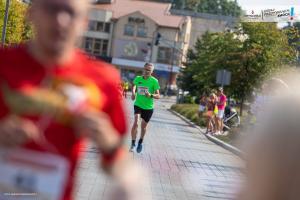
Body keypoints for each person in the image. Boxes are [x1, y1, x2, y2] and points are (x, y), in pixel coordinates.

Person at [0, 0, 139, 199]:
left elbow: (121, 165)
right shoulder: (4, 64)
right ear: (31, 13)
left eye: (71, 13)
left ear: (84, 22)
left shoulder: (103, 80)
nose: (61, 20)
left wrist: (108, 144)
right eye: (51, 9)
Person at [130, 63, 160, 153]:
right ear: (143, 69)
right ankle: (132, 143)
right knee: (136, 123)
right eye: (145, 69)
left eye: (149, 70)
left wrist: (150, 95)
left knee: (143, 127)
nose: (147, 71)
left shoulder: (154, 81)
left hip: (148, 107)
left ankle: (140, 142)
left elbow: (158, 95)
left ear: (152, 72)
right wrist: (133, 92)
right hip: (138, 104)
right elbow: (134, 86)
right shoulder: (138, 78)